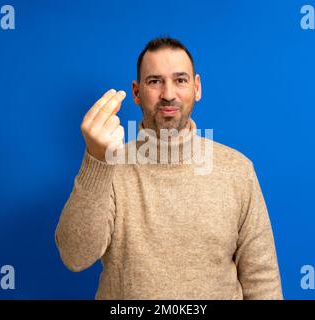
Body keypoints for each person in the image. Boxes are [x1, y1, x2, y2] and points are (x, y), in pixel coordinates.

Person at [55, 37, 283, 299]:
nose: (168, 94)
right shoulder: (109, 167)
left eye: (180, 80)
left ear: (196, 88)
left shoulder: (238, 170)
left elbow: (262, 280)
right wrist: (96, 159)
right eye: (154, 81)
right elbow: (75, 256)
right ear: (137, 92)